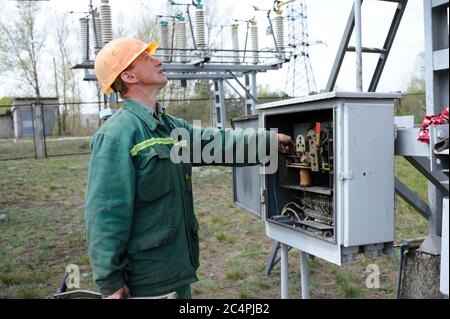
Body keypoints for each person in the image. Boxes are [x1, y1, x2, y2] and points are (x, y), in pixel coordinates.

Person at [85, 37, 292, 299]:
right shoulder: (118, 135)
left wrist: (269, 141)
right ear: (128, 76)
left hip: (176, 270)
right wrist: (110, 282)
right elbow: (105, 213)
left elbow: (219, 143)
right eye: (146, 58)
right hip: (147, 281)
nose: (158, 60)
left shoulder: (169, 127)